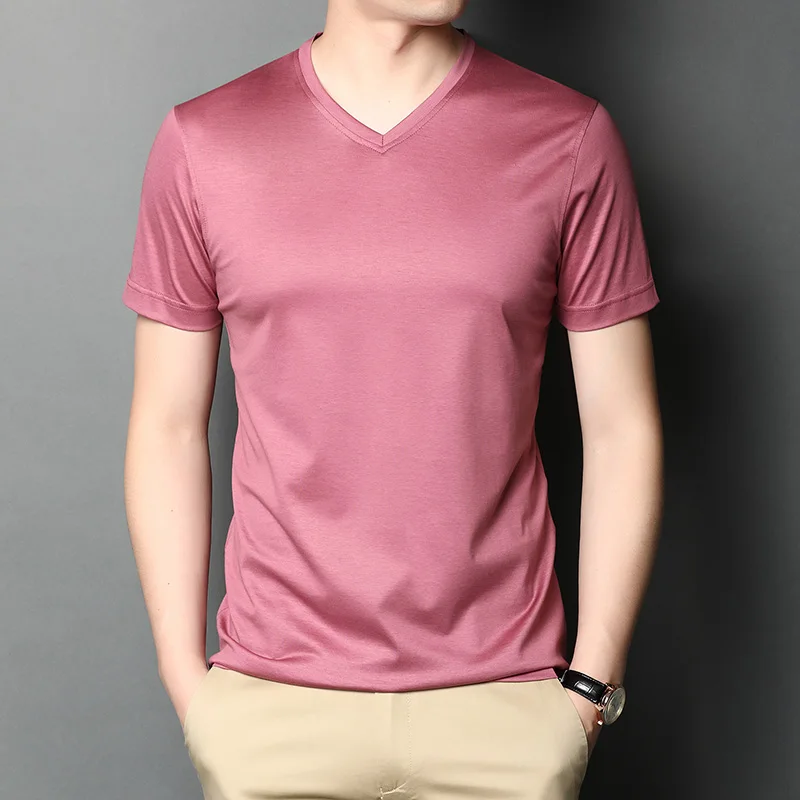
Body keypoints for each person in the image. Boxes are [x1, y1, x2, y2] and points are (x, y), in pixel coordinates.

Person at [121, 2, 664, 798]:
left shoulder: (569, 136)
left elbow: (622, 428)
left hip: (505, 711)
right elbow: (166, 426)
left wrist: (588, 688)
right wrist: (189, 685)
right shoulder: (206, 141)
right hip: (271, 710)